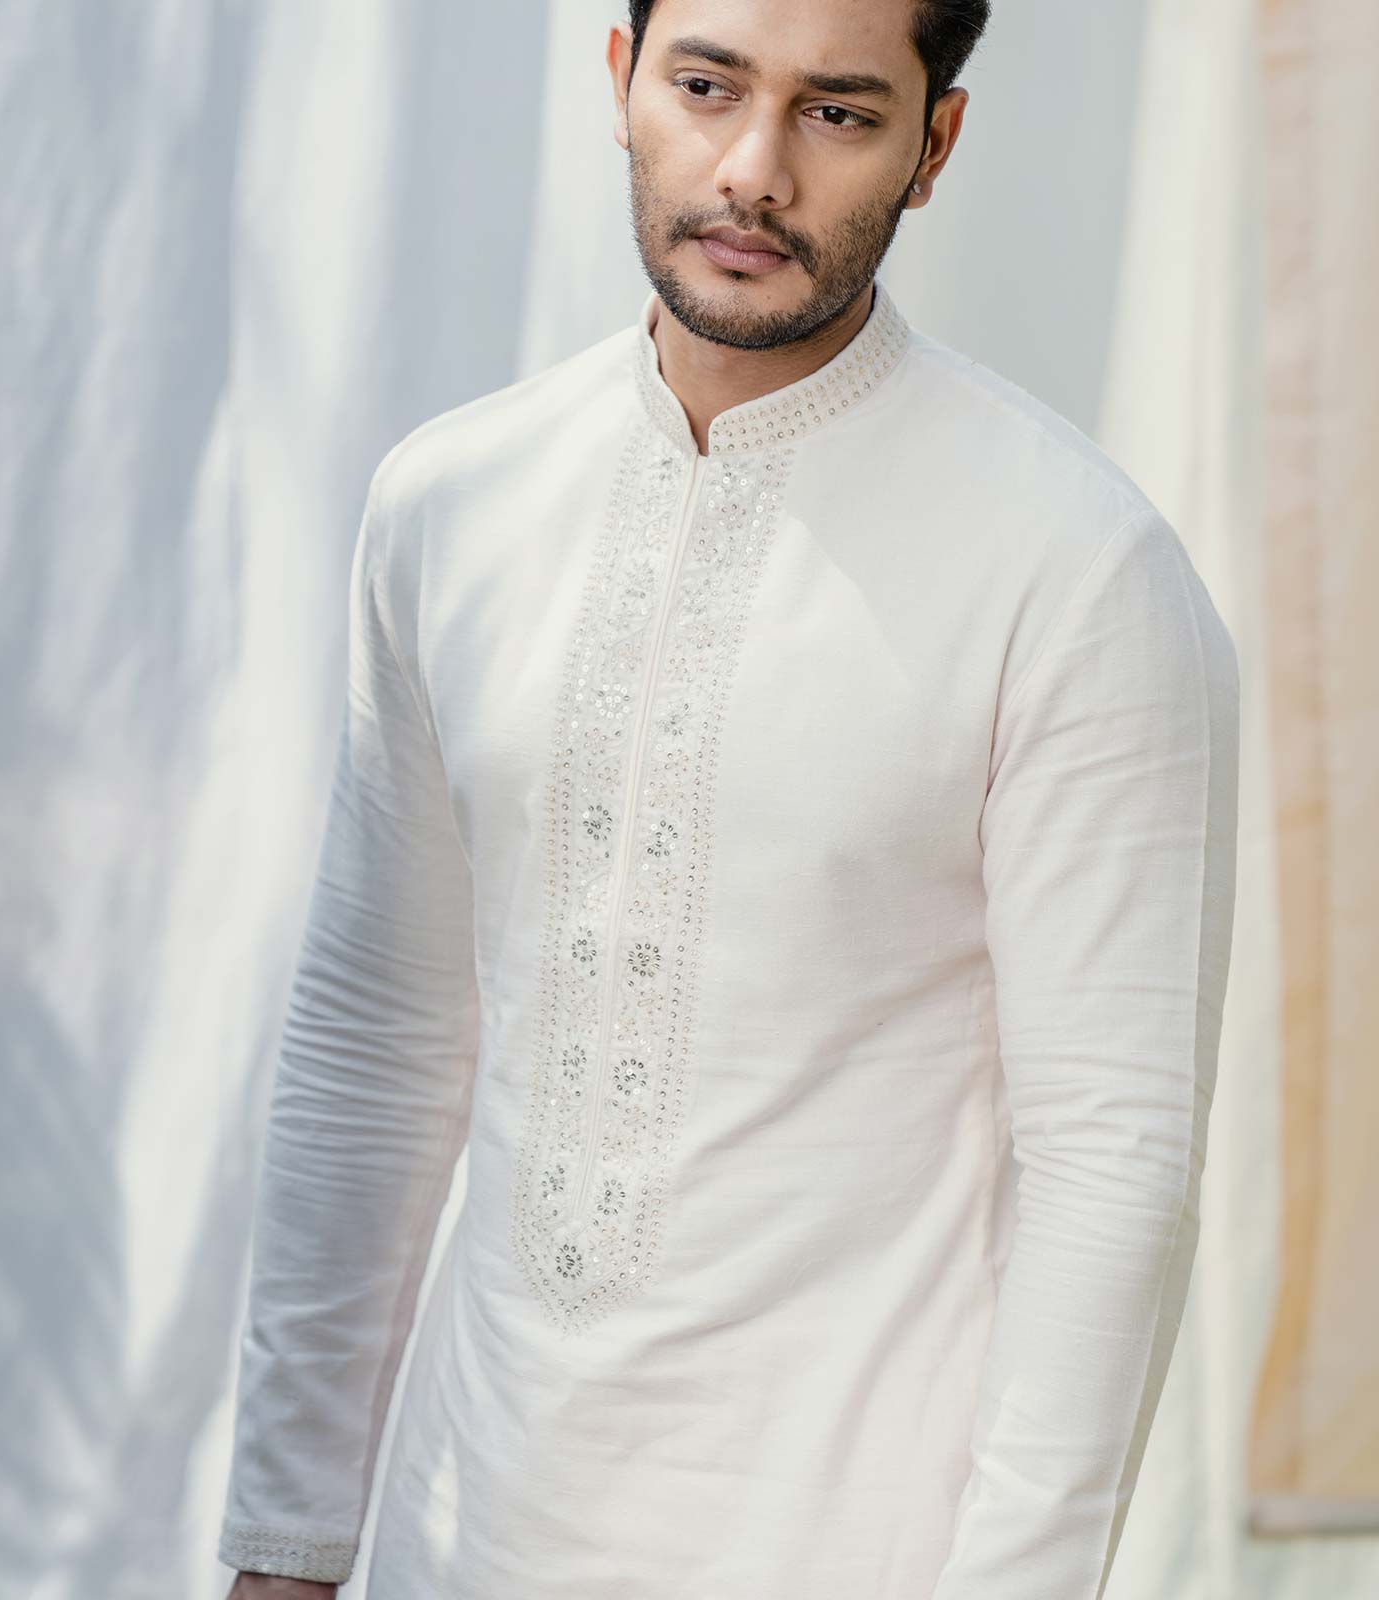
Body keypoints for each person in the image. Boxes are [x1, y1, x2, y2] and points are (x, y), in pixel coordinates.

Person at [219, 1, 1241, 1596]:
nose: (754, 169)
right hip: (460, 1537)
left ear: (934, 146)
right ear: (622, 80)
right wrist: (288, 1535)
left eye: (838, 114)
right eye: (707, 86)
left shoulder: (1078, 573)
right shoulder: (450, 505)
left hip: (855, 1551)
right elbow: (375, 1043)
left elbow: (1110, 1164)